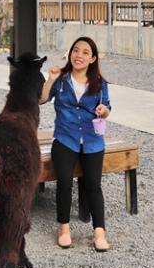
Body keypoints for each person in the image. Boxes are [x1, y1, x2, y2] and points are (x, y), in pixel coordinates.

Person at [39, 36, 111, 252]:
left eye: (85, 52)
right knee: (64, 182)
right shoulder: (60, 80)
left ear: (93, 59)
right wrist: (50, 79)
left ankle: (99, 231)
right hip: (65, 138)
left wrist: (103, 111)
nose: (79, 55)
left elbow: (106, 107)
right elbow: (41, 100)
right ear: (70, 54)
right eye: (76, 50)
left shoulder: (100, 83)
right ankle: (64, 228)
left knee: (93, 185)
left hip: (92, 140)